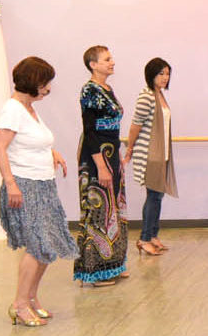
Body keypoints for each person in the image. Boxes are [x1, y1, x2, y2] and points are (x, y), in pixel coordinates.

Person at [0, 57, 78, 326]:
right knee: (36, 245)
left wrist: (51, 152)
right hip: (25, 185)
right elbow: (0, 147)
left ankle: (31, 298)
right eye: (45, 83)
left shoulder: (28, 108)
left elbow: (31, 139)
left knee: (45, 245)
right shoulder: (13, 109)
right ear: (32, 81)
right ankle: (19, 303)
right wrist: (11, 184)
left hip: (43, 184)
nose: (48, 89)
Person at [74, 45, 131, 285]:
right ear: (93, 64)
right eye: (106, 60)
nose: (112, 62)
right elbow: (90, 131)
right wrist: (101, 165)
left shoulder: (107, 89)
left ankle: (114, 264)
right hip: (97, 156)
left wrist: (116, 159)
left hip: (112, 154)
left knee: (114, 210)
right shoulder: (89, 90)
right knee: (99, 210)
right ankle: (94, 271)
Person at [125, 58, 177, 256]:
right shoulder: (146, 96)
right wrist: (130, 149)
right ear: (151, 75)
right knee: (154, 196)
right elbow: (135, 124)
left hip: (161, 153)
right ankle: (144, 238)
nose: (165, 77)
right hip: (149, 154)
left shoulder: (160, 95)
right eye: (161, 73)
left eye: (167, 73)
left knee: (158, 196)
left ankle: (153, 235)